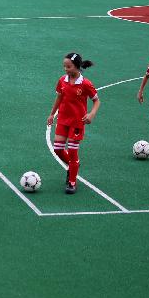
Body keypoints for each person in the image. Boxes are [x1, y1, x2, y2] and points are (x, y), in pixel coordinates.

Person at [47, 52, 101, 194]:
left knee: (72, 152)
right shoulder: (62, 81)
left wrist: (91, 114)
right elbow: (59, 98)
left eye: (68, 66)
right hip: (63, 120)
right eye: (64, 66)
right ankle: (73, 166)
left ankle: (72, 182)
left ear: (76, 66)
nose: (66, 69)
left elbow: (96, 100)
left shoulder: (85, 84)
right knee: (58, 149)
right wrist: (52, 114)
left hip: (77, 122)